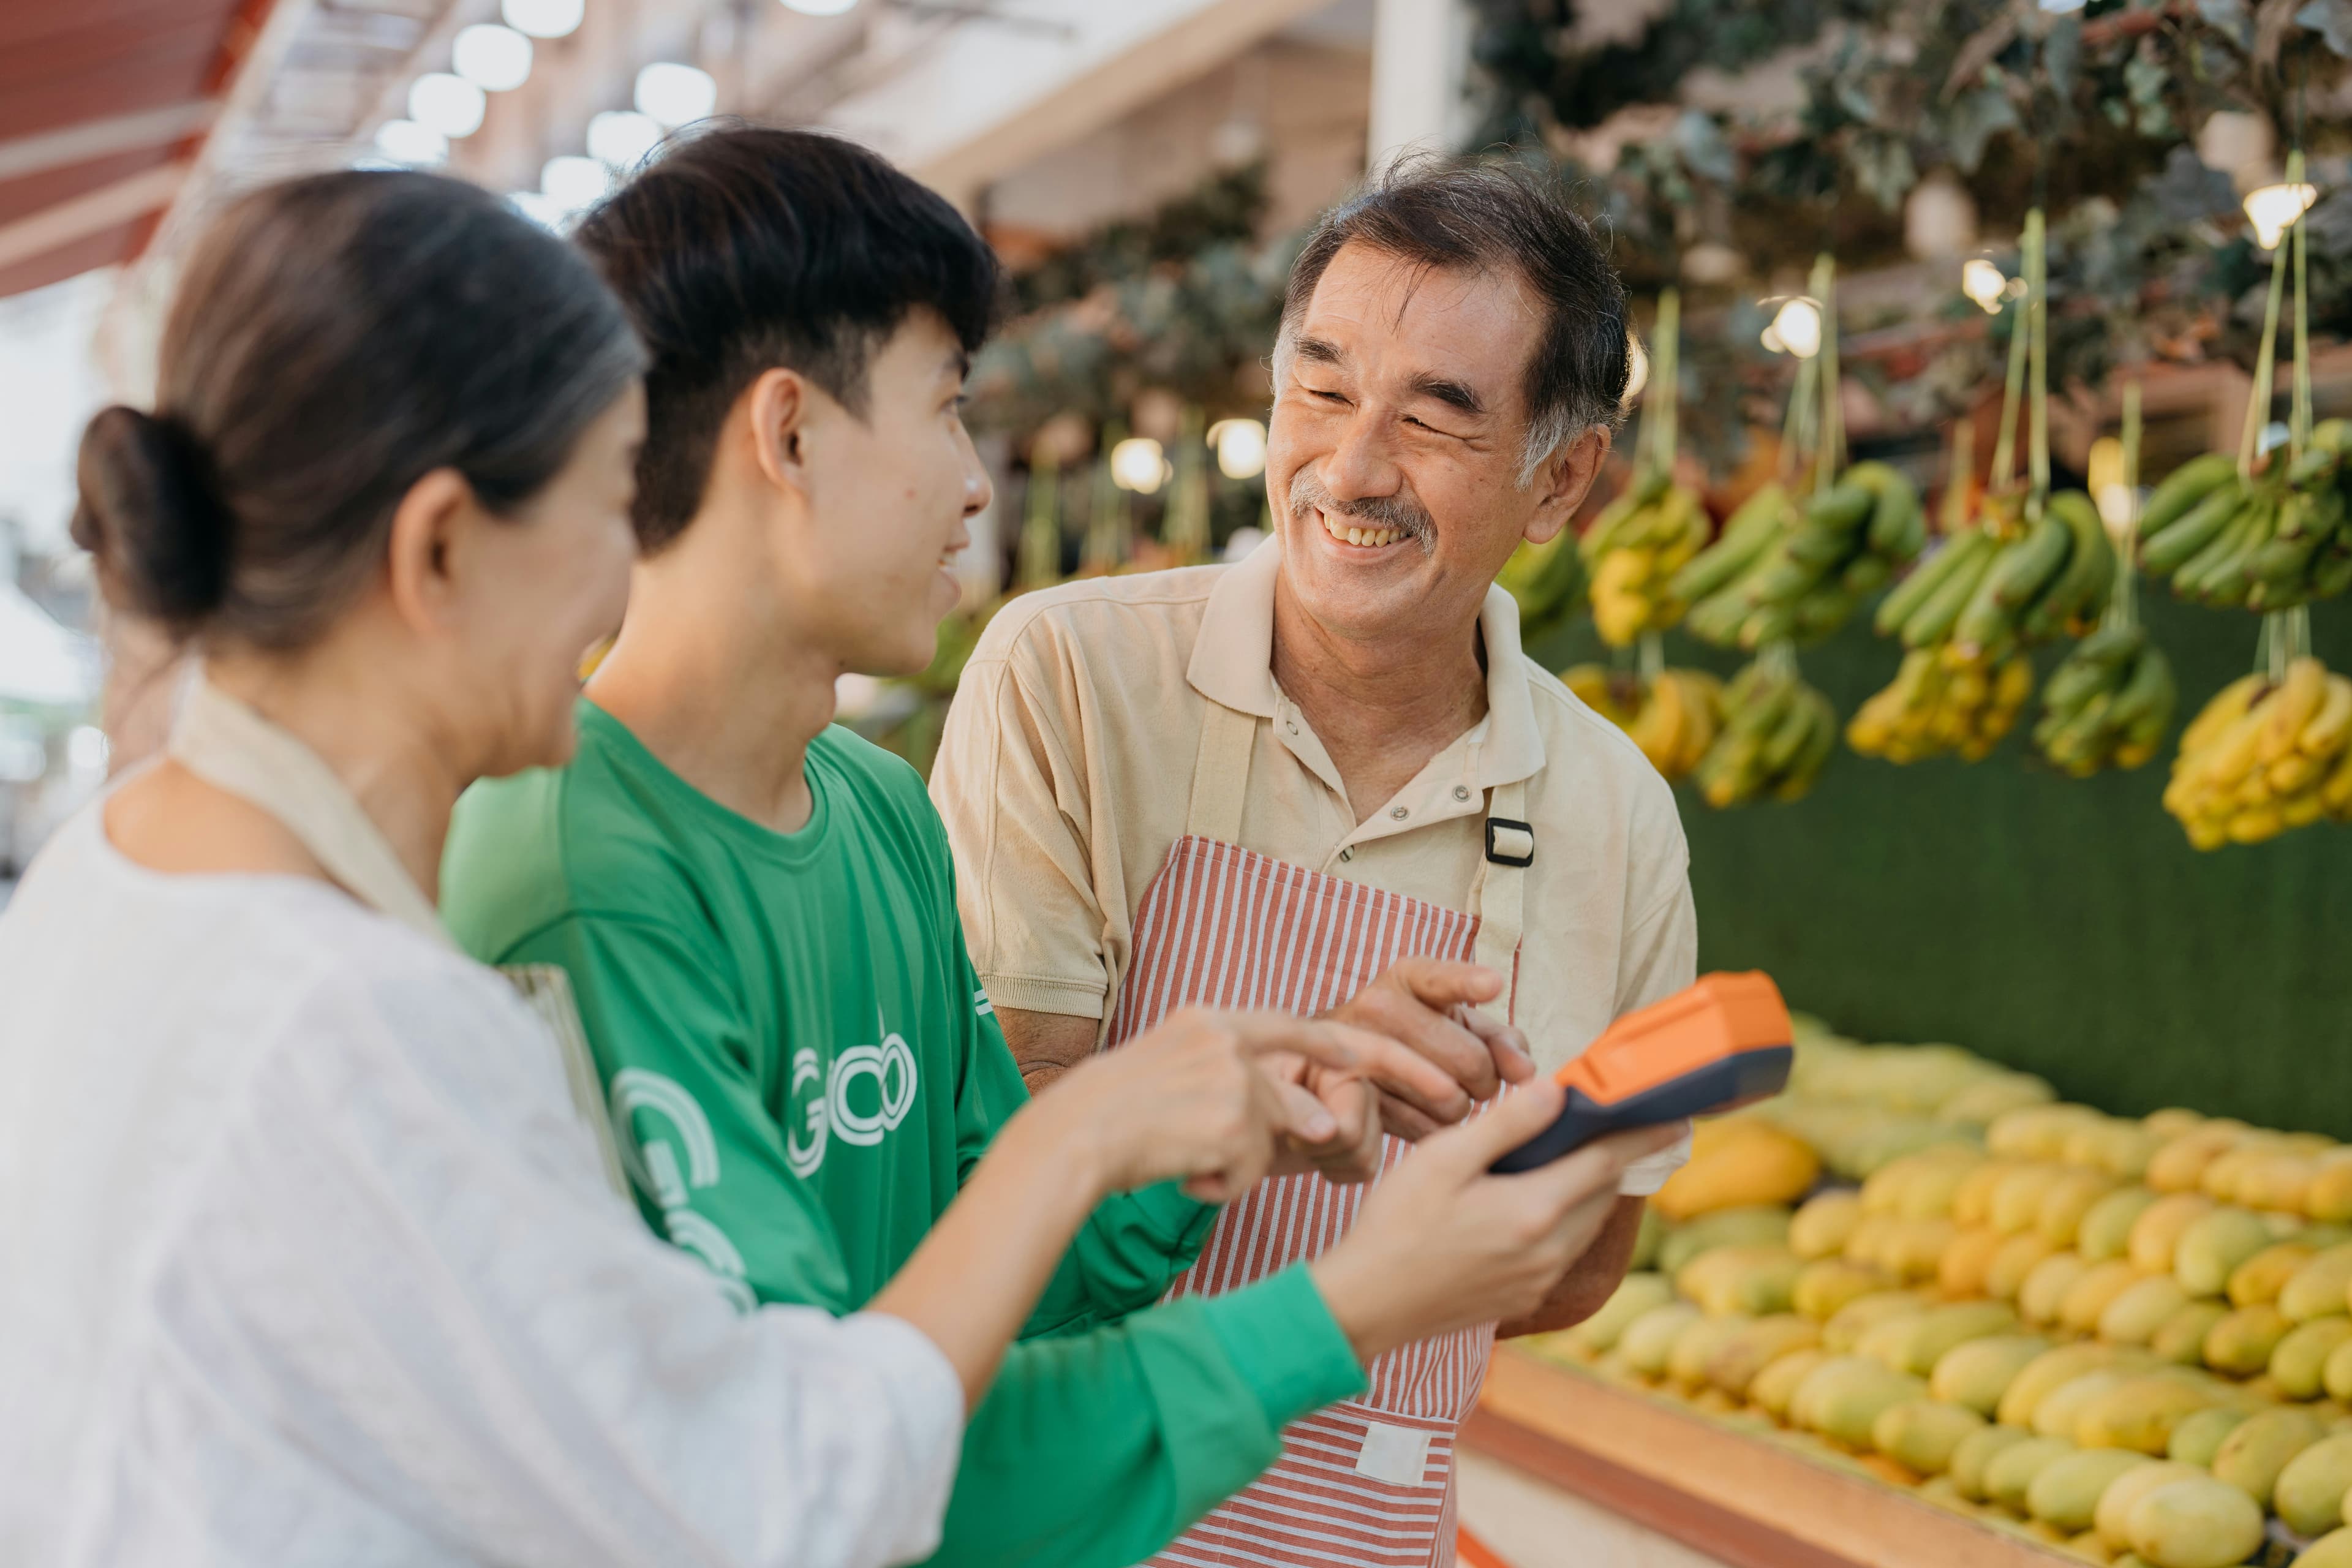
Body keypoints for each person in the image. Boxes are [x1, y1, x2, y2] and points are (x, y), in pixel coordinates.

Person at [0, 169, 1474, 1568]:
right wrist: (1139, 1176)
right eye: (602, 504)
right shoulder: (355, 1021)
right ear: (441, 548)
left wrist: (1177, 1125)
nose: (616, 573)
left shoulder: (115, 883)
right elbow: (771, 1494)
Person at [439, 125, 1670, 1568]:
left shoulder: (877, 816)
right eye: (947, 408)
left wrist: (1249, 1102)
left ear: (1561, 479)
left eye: (1436, 414)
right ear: (787, 434)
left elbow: (1002, 1286)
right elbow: (805, 1462)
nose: (977, 484)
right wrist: (1342, 1303)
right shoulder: (573, 876)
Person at [928, 155, 1698, 1566]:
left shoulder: (1618, 813)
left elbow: (1594, 1250)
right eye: (1324, 388)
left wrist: (1479, 1215)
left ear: (1564, 479)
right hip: (1062, 1516)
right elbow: (998, 1144)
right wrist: (1301, 1131)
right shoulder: (1074, 677)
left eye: (1435, 419)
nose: (1351, 468)